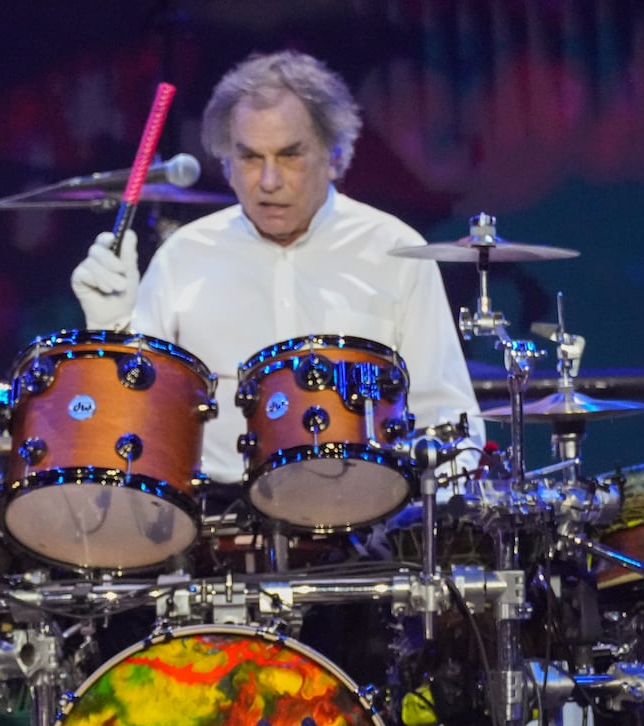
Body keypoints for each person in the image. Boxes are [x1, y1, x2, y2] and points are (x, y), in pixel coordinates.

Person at [70, 49, 483, 495]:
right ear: (225, 164)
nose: (268, 181)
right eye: (249, 158)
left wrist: (419, 520)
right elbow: (134, 419)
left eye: (289, 156)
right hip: (218, 526)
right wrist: (110, 326)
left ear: (335, 155)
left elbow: (448, 418)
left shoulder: (395, 251)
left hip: (367, 527)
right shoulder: (183, 256)